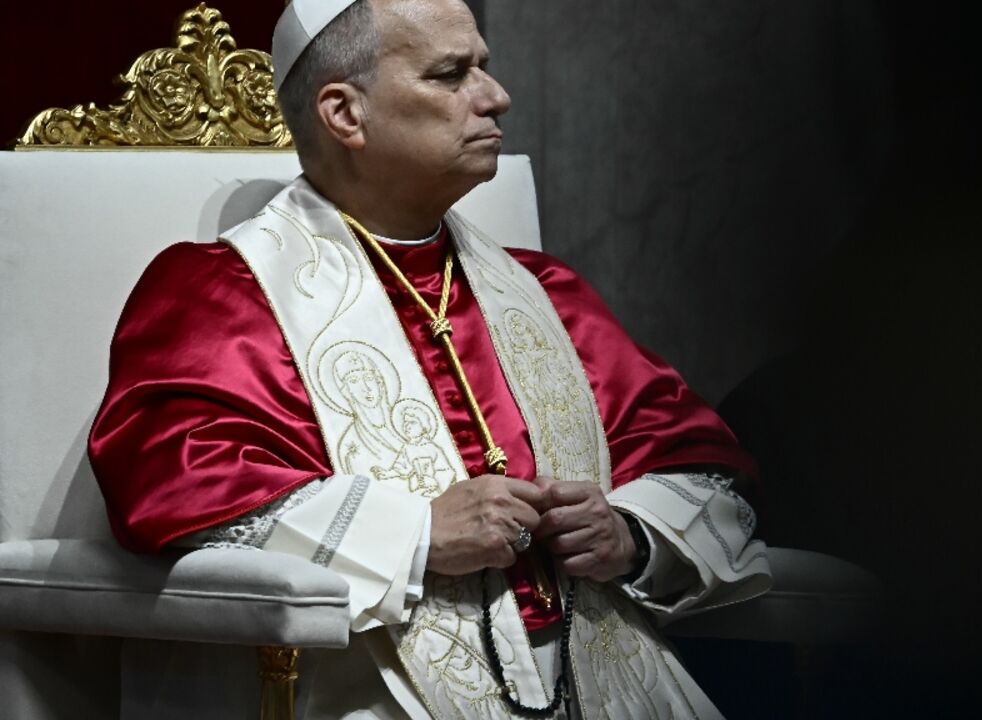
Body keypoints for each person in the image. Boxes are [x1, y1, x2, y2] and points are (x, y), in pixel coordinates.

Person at [87, 0, 771, 717]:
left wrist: (628, 533)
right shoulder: (225, 295)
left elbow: (701, 467)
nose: (496, 96)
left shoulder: (546, 293)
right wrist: (414, 533)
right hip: (368, 679)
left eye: (486, 66)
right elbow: (177, 483)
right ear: (345, 115)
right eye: (451, 74)